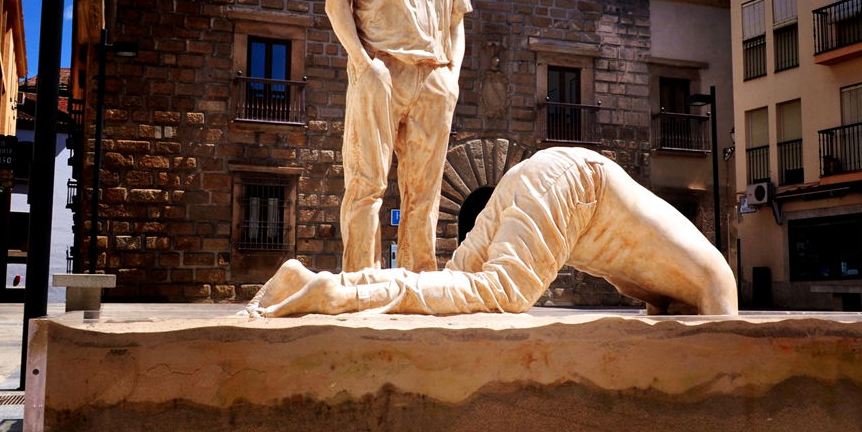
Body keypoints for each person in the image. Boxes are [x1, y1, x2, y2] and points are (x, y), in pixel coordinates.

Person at [247, 147, 738, 318]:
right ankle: (333, 292)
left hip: (537, 175)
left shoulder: (671, 283)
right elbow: (722, 330)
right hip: (577, 186)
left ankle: (313, 280)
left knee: (458, 296)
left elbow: (660, 312)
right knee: (501, 293)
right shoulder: (714, 280)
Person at [325, 0, 471, 272]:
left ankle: (419, 276)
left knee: (425, 190)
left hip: (434, 79)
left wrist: (452, 76)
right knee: (367, 181)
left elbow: (456, 23)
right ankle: (359, 278)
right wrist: (363, 61)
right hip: (380, 68)